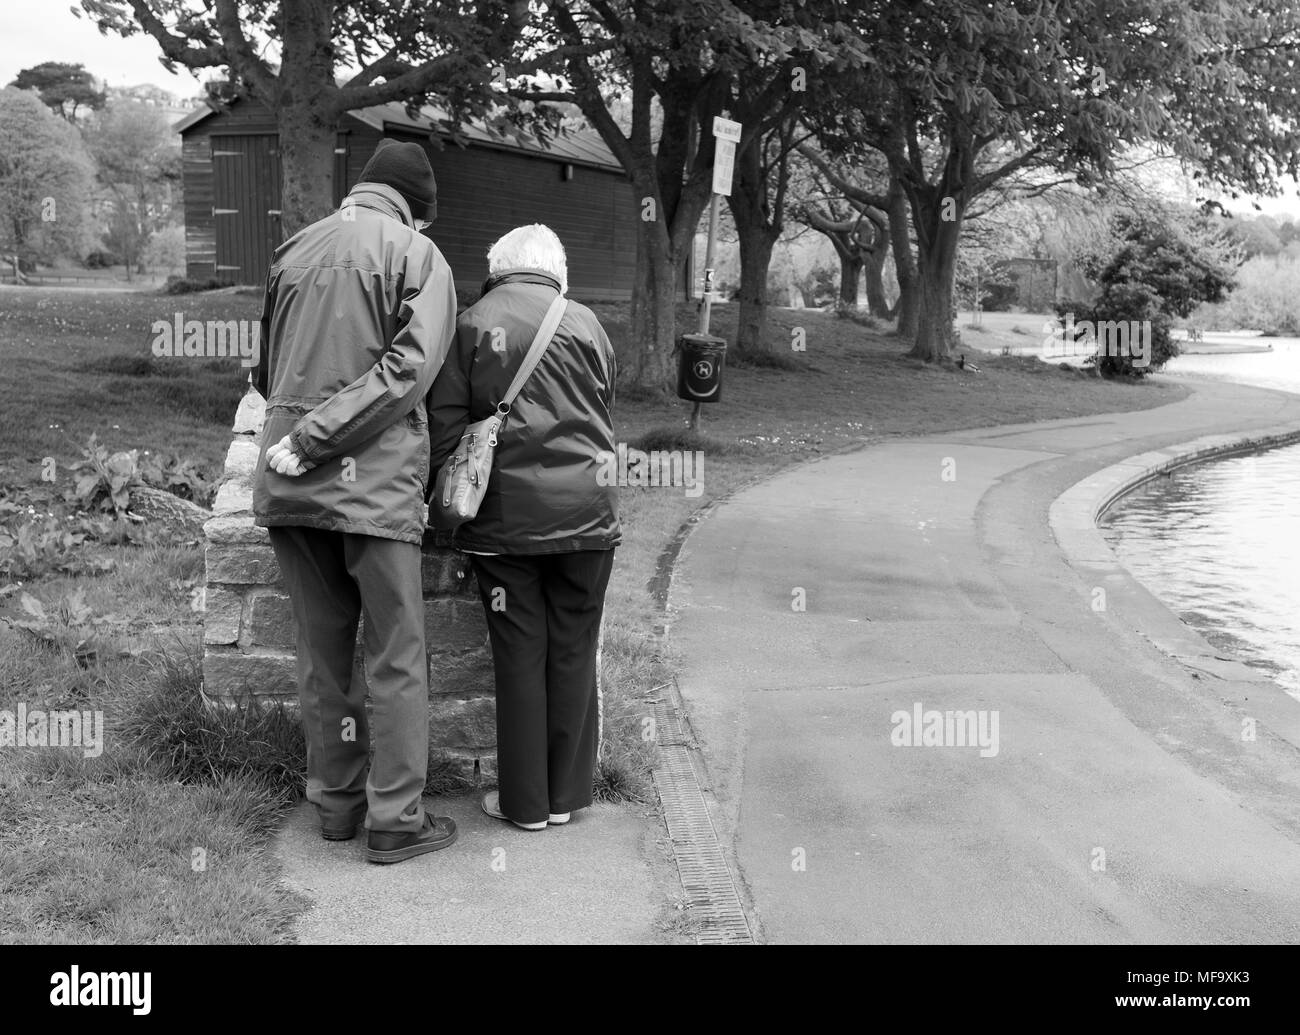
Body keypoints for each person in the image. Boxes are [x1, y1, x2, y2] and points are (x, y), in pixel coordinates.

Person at [253, 138, 459, 864]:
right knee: (396, 653)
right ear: (417, 213)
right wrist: (320, 437)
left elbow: (264, 369)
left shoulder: (293, 249)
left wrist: (299, 439)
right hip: (370, 482)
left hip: (286, 482)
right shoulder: (419, 257)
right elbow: (409, 371)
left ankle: (336, 807)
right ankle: (395, 820)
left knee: (322, 651)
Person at [428, 224, 621, 831]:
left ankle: (525, 805)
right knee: (573, 651)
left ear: (499, 267)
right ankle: (567, 798)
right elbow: (604, 404)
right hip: (589, 518)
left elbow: (445, 424)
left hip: (507, 523)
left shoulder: (472, 322)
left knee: (518, 655)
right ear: (556, 270)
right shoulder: (587, 323)